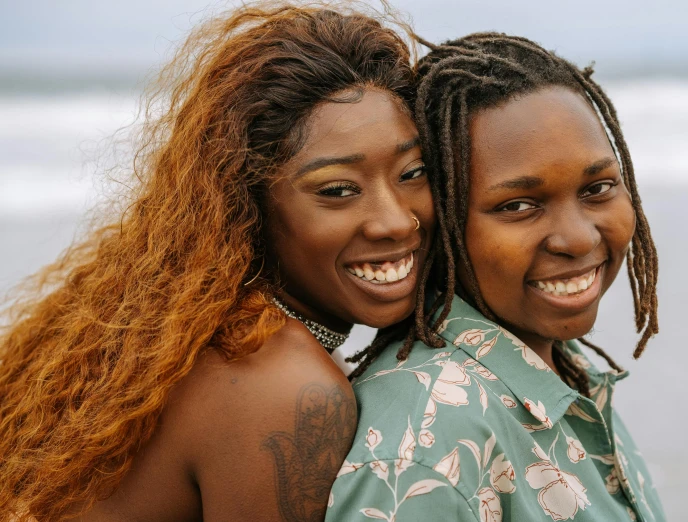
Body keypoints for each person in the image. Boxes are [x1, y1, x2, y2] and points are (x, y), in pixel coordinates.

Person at [0, 3, 434, 521]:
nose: (394, 221)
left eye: (414, 172)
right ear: (245, 205)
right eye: (338, 190)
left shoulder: (183, 338)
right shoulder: (283, 387)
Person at [327, 33, 665, 521]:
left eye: (598, 188)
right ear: (441, 219)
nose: (577, 238)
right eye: (518, 206)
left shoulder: (562, 373)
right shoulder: (426, 446)